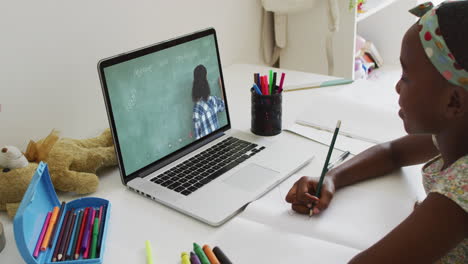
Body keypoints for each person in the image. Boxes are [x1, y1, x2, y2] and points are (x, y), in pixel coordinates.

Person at [285, 1, 468, 263]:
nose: (396, 86)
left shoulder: (461, 189)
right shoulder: (455, 132)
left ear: (453, 102)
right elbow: (392, 153)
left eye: (406, 76)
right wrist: (332, 178)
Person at [192, 64, 226, 140]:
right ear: (206, 80)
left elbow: (197, 137)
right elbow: (224, 105)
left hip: (206, 146)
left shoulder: (196, 110)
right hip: (219, 141)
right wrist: (221, 86)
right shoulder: (213, 100)